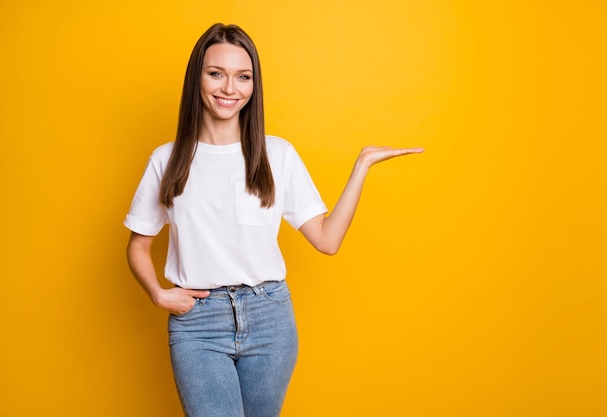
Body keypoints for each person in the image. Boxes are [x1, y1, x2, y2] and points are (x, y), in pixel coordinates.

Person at [124, 23, 423, 417]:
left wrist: (362, 166)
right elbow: (138, 245)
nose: (230, 88)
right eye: (217, 74)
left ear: (253, 85)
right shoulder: (167, 159)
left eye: (243, 77)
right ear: (197, 77)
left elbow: (327, 240)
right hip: (198, 325)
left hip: (269, 319)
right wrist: (158, 293)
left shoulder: (276, 154)